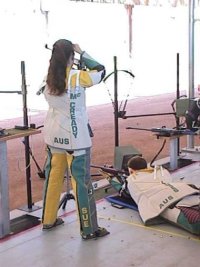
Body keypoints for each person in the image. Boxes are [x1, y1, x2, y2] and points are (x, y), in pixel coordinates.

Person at [41, 39, 110, 240]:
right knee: (82, 183)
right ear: (72, 57)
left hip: (53, 136)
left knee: (53, 179)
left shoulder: (48, 77)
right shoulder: (79, 77)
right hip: (76, 139)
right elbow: (101, 70)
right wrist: (84, 53)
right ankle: (89, 228)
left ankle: (48, 220)